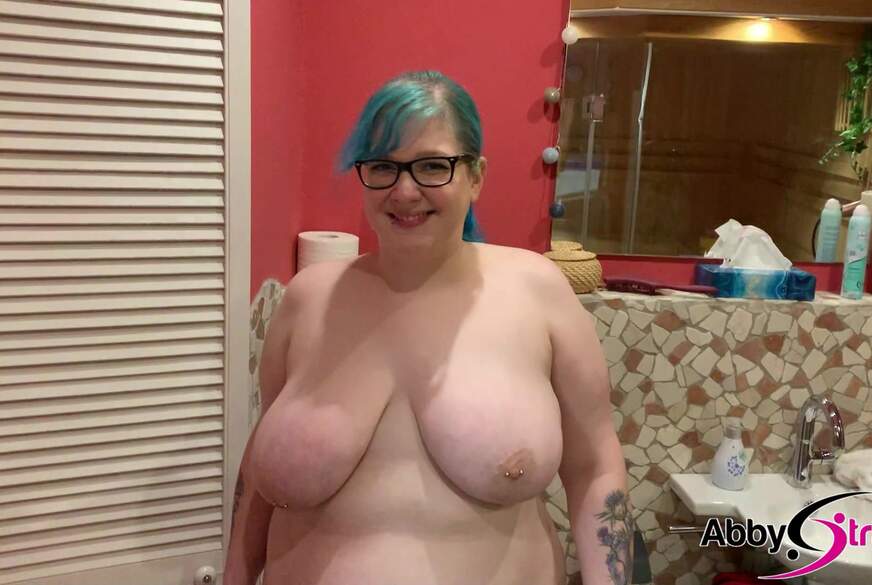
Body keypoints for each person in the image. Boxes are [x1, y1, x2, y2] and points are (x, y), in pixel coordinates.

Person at [224, 71, 632, 585]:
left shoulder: (538, 291)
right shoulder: (307, 300)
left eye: (433, 166)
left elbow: (595, 468)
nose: (404, 190)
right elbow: (258, 477)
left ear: (476, 176)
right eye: (382, 166)